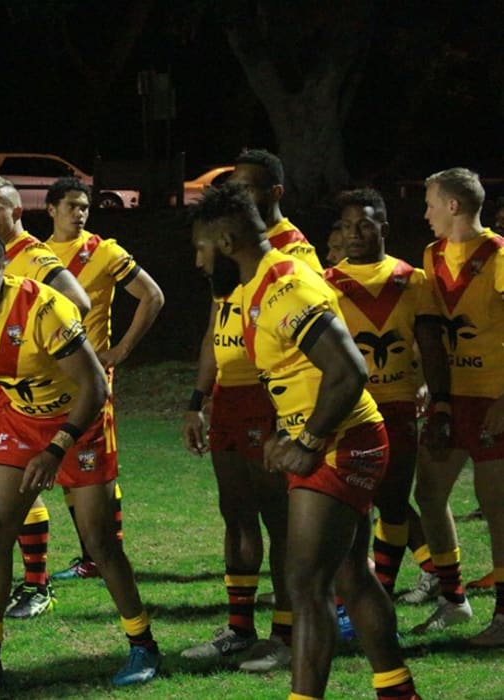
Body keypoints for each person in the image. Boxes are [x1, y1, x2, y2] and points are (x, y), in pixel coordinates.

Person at [191, 183, 420, 700]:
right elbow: (297, 376)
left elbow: (349, 370)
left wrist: (309, 438)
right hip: (333, 437)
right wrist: (285, 430)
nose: (198, 262)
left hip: (345, 440)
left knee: (305, 584)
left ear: (226, 240)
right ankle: (399, 691)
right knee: (349, 578)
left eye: (201, 249)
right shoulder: (251, 289)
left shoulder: (286, 289)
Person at [0, 227, 160, 695]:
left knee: (99, 541)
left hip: (80, 423)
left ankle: (143, 645)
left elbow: (95, 387)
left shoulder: (42, 308)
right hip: (22, 424)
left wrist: (57, 448)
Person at [179, 148, 321, 671]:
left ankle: (286, 634)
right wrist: (198, 399)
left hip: (271, 396)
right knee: (234, 511)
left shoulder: (290, 255)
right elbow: (217, 324)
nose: (239, 197)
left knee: (279, 518)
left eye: (249, 188)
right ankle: (240, 628)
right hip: (231, 399)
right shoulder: (225, 248)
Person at [0, 175, 91, 618]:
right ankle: (29, 582)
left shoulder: (34, 257)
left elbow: (79, 303)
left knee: (26, 488)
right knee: (10, 496)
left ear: (17, 213)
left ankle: (37, 584)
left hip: (32, 392)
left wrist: (38, 350)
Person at [42, 177, 165, 580]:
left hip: (92, 380)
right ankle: (90, 555)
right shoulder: (37, 255)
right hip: (52, 381)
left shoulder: (104, 251)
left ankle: (105, 553)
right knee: (66, 468)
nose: (79, 214)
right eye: (72, 206)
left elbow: (152, 295)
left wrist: (121, 350)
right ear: (51, 209)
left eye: (84, 207)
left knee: (98, 468)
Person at [325, 188, 435, 598]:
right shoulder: (326, 284)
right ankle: (355, 587)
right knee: (349, 502)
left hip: (399, 405)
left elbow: (428, 344)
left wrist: (429, 387)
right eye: (347, 226)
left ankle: (382, 589)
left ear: (383, 228)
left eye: (364, 225)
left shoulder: (413, 280)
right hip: (350, 411)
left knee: (393, 499)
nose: (354, 234)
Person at [412, 167, 504, 645]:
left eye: (430, 203)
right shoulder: (431, 255)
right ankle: (454, 599)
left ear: (453, 206)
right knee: (428, 493)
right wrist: (431, 383)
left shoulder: (499, 255)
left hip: (492, 398)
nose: (424, 213)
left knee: (497, 508)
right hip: (451, 398)